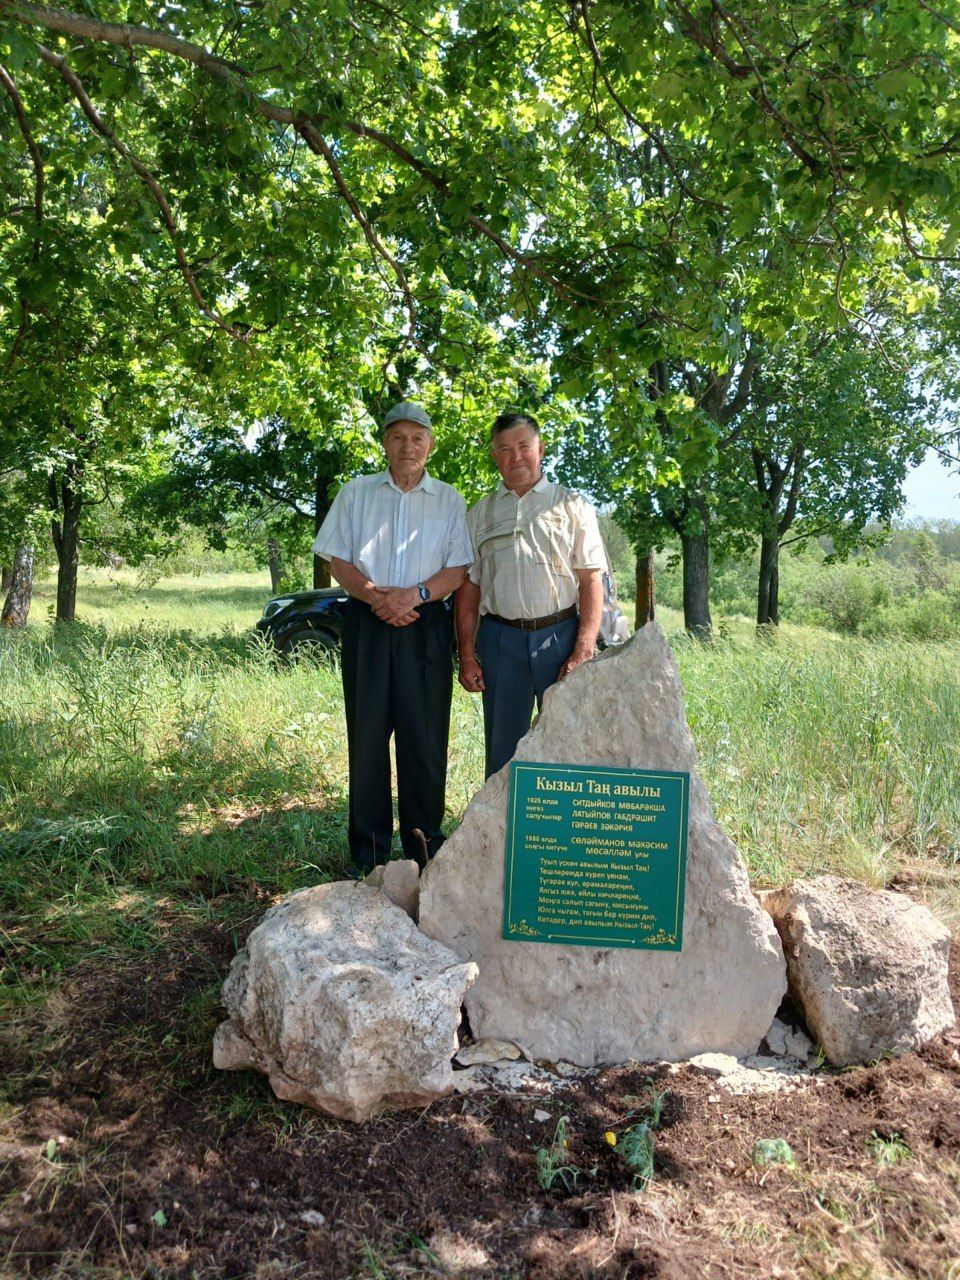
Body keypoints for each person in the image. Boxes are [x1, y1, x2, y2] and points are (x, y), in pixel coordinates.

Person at [313, 402, 472, 876]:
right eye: (398, 437)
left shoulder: (449, 499)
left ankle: (424, 852)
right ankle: (370, 856)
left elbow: (459, 569)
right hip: (368, 619)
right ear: (384, 442)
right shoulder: (357, 493)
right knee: (367, 737)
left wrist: (414, 597)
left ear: (430, 445)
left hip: (424, 626)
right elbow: (337, 558)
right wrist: (373, 596)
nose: (408, 447)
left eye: (417, 438)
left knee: (424, 739)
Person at [456, 412, 605, 777]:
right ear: (495, 457)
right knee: (504, 753)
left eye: (524, 446)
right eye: (504, 450)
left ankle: (565, 830)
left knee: (570, 744)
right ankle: (504, 829)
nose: (515, 457)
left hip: (562, 637)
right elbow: (469, 588)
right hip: (500, 641)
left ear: (541, 449)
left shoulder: (572, 505)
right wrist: (467, 654)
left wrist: (583, 648)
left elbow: (591, 580)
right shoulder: (478, 514)